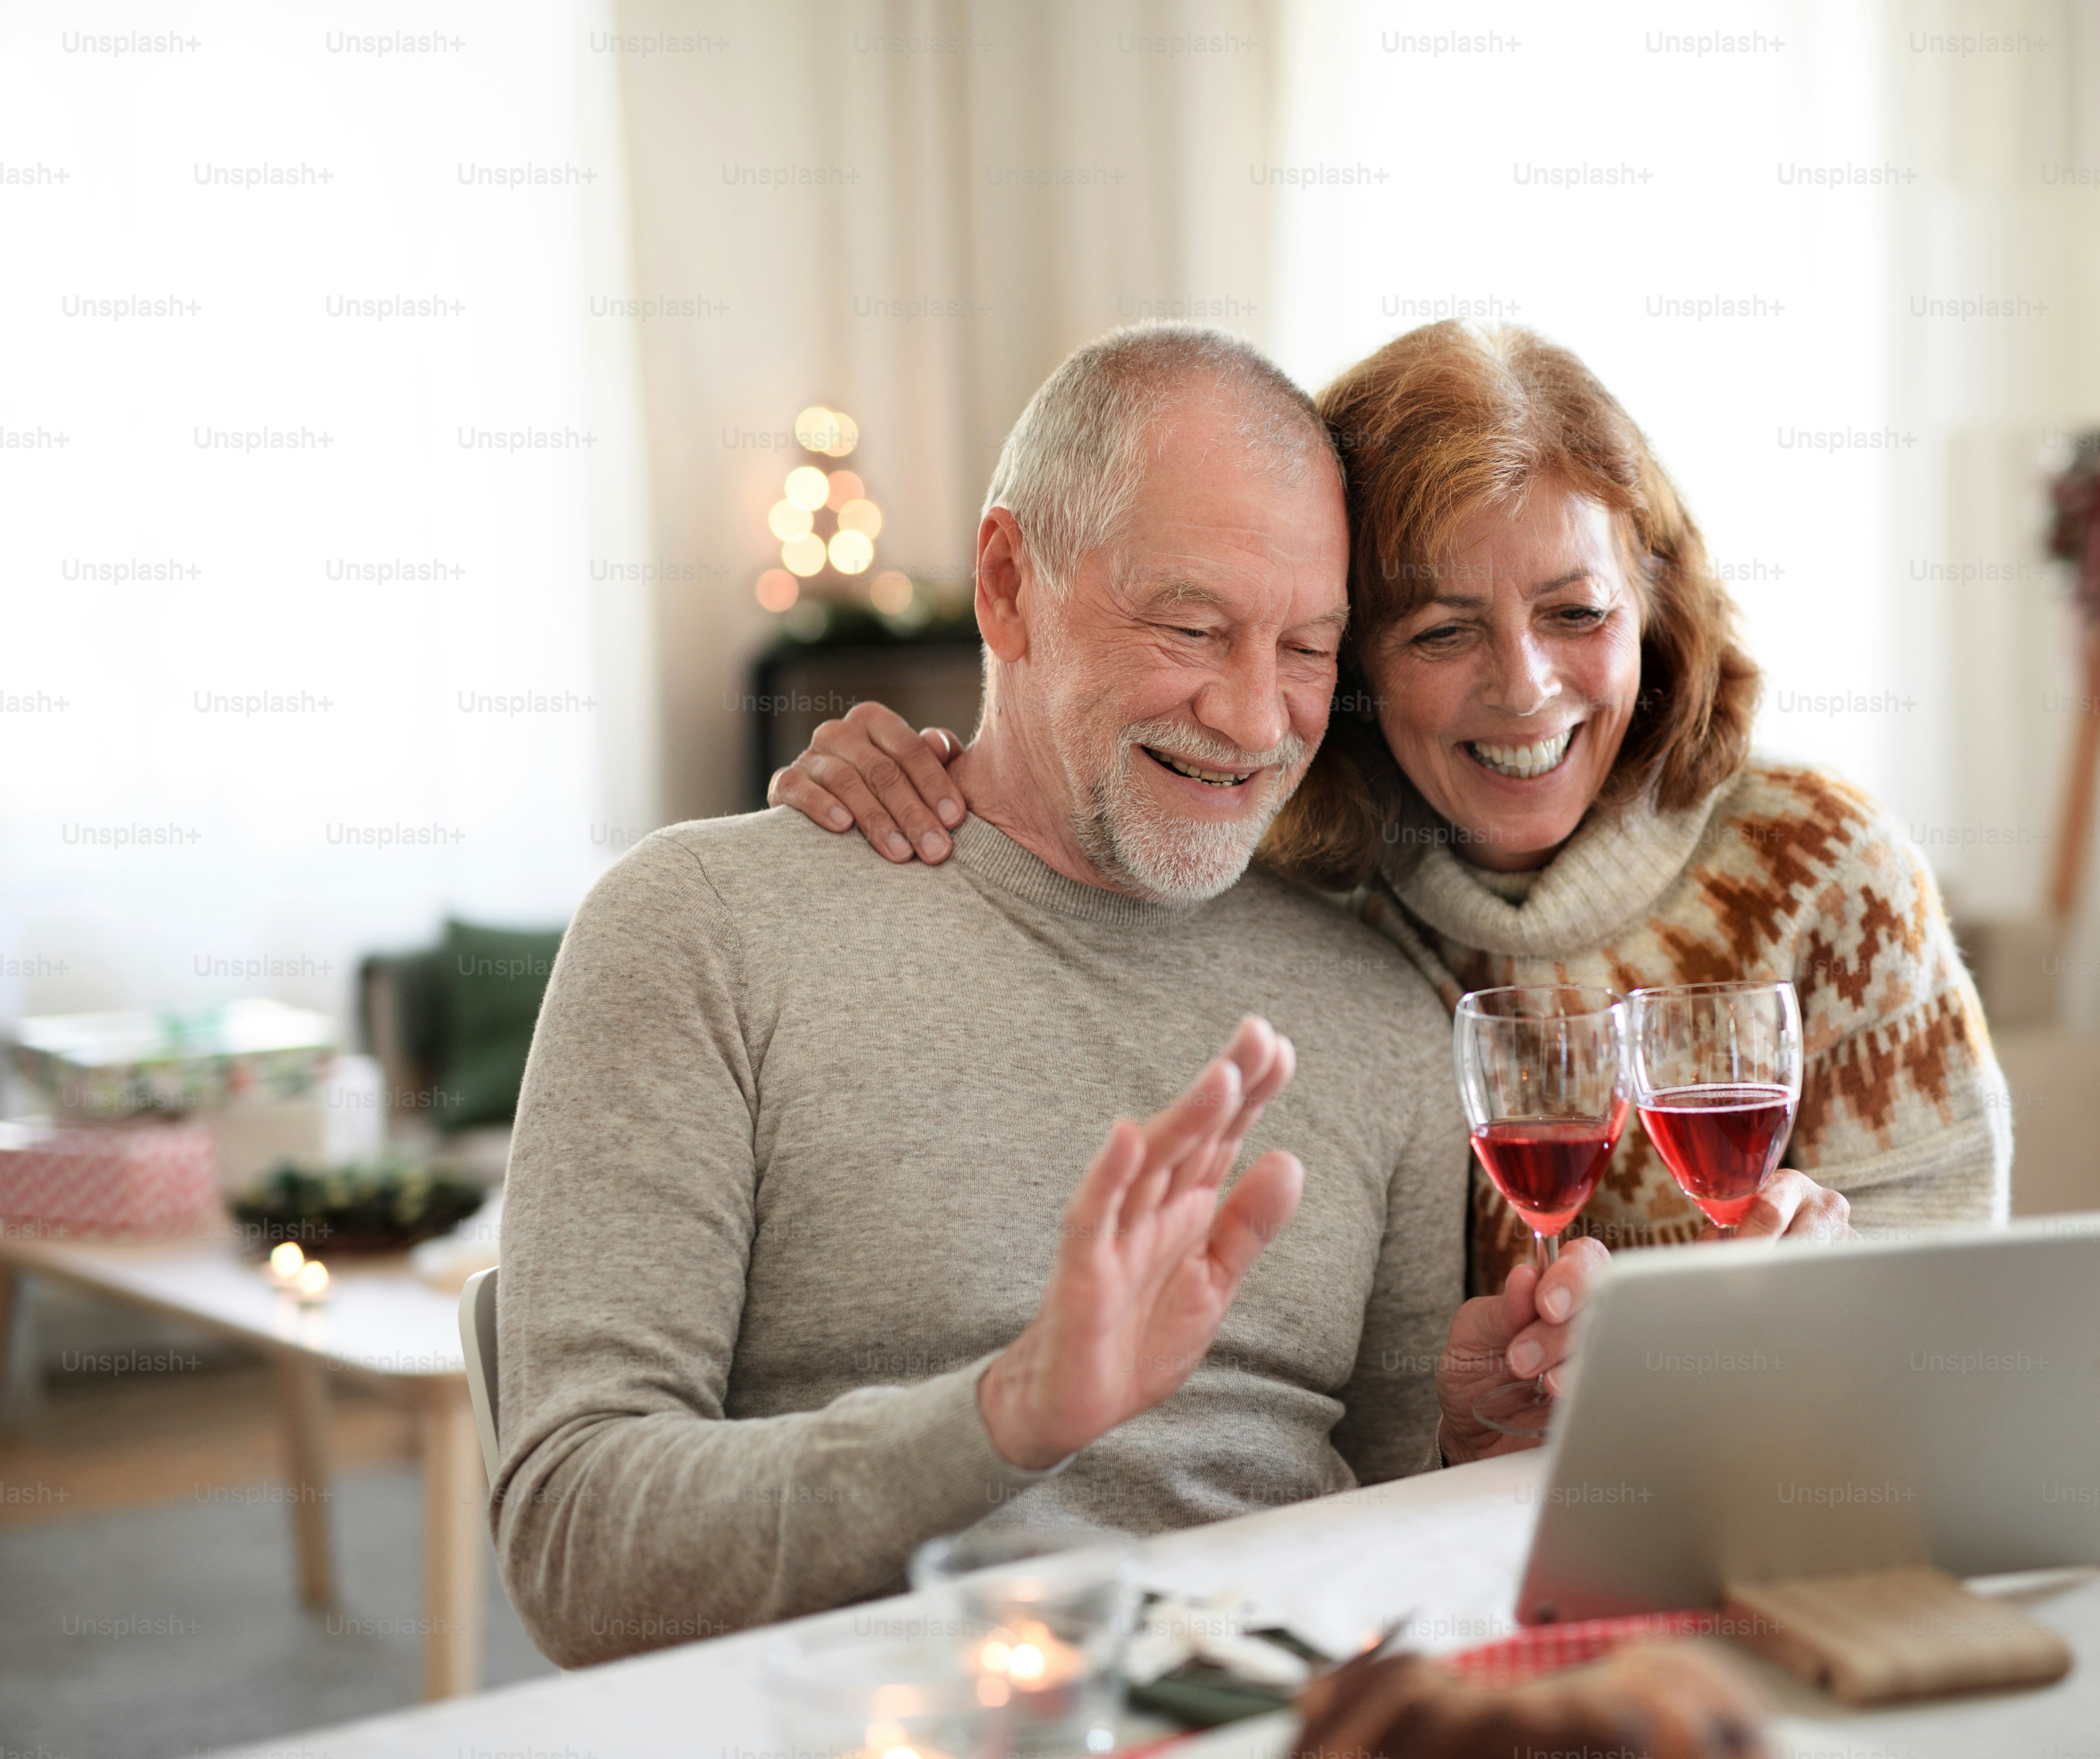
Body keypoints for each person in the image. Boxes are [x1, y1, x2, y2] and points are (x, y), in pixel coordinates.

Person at [493, 325, 1602, 1670]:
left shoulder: (1380, 1017)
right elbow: (576, 1548)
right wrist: (1005, 1416)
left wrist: (1470, 1447)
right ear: (1008, 586)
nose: (1255, 720)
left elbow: (1379, 1535)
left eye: (1307, 649)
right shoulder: (703, 931)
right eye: (1190, 628)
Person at [772, 321, 2010, 1293]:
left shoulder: (1823, 868)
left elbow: (1963, 1320)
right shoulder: (1291, 884)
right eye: (1441, 631)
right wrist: (913, 787)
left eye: (1577, 613)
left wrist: (1845, 1293)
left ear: (1655, 607)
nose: (1524, 689)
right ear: (1349, 656)